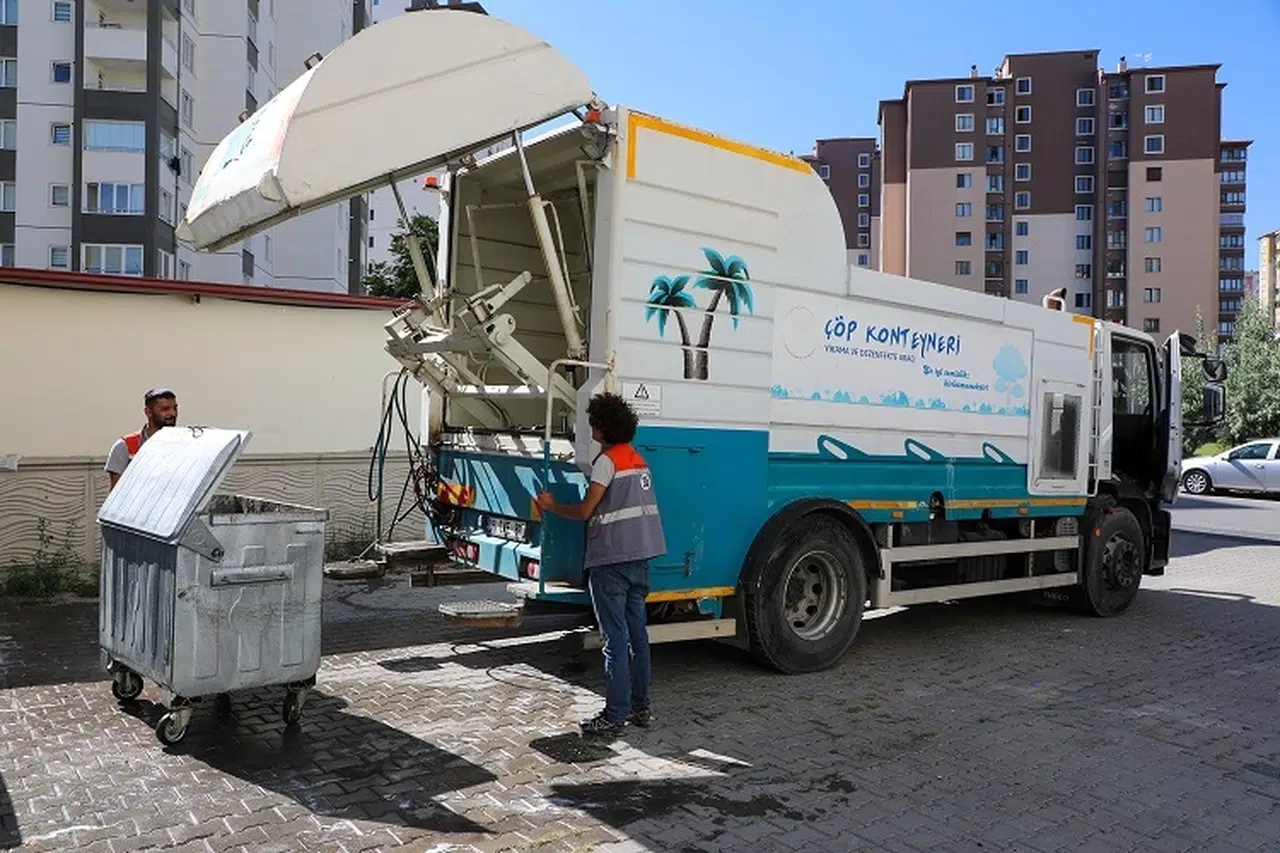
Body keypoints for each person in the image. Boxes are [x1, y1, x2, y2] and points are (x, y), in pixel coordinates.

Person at [536, 393, 667, 735]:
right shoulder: (638, 460)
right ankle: (641, 709)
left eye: (594, 422)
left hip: (611, 561)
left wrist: (551, 506)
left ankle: (614, 714)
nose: (591, 427)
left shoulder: (607, 462)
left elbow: (584, 511)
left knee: (614, 640)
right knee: (638, 637)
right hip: (641, 558)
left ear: (602, 428)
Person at [105, 388, 178, 491]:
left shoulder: (184, 444)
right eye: (165, 409)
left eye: (175, 408)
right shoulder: (125, 446)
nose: (173, 413)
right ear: (148, 412)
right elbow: (115, 494)